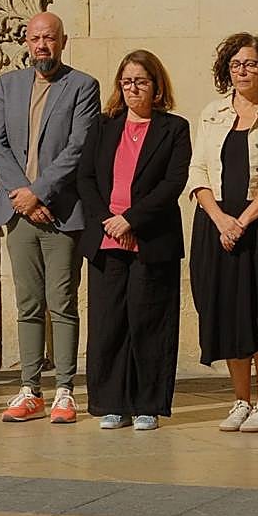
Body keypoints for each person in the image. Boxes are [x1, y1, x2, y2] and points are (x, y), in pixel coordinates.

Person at [0, 12, 100, 423]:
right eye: (35, 38)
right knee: (28, 302)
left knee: (62, 301)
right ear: (26, 42)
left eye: (49, 38)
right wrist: (23, 196)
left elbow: (78, 147)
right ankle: (29, 387)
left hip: (61, 213)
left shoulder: (82, 86)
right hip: (19, 213)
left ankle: (66, 390)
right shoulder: (8, 85)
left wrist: (38, 192)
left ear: (63, 41)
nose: (42, 46)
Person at [187, 33, 258, 433]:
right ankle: (240, 399)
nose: (243, 71)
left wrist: (243, 220)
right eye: (236, 64)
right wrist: (220, 219)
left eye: (251, 63)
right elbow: (197, 171)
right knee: (228, 312)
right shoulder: (211, 112)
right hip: (216, 225)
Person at [77, 50, 191, 431]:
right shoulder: (103, 126)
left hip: (150, 239)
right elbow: (86, 178)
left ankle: (148, 405)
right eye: (126, 82)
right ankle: (111, 403)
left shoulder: (174, 129)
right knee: (109, 324)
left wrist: (131, 219)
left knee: (149, 322)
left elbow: (172, 184)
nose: (132, 89)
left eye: (140, 81)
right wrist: (108, 221)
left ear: (156, 87)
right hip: (107, 238)